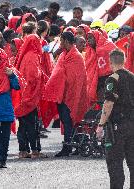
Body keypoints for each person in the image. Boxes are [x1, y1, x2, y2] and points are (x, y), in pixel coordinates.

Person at [44, 32, 89, 157]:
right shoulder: (64, 55)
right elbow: (57, 73)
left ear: (66, 41)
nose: (60, 43)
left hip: (72, 94)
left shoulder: (76, 57)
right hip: (62, 94)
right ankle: (74, 145)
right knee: (65, 120)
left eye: (61, 41)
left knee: (69, 121)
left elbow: (77, 78)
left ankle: (68, 147)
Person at [96, 49, 134, 189]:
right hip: (132, 125)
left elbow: (108, 103)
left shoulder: (113, 78)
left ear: (111, 62)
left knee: (115, 163)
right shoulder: (132, 77)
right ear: (123, 61)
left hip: (117, 127)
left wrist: (101, 125)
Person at [14, 34, 47, 159]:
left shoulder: (23, 56)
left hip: (22, 95)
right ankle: (35, 150)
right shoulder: (33, 56)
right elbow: (33, 76)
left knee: (22, 125)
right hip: (30, 95)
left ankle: (23, 150)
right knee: (32, 125)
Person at [85, 30, 117, 103]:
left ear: (97, 37)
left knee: (110, 100)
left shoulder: (108, 46)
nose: (88, 40)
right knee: (101, 102)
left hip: (110, 77)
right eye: (87, 38)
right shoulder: (89, 51)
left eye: (91, 38)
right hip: (97, 80)